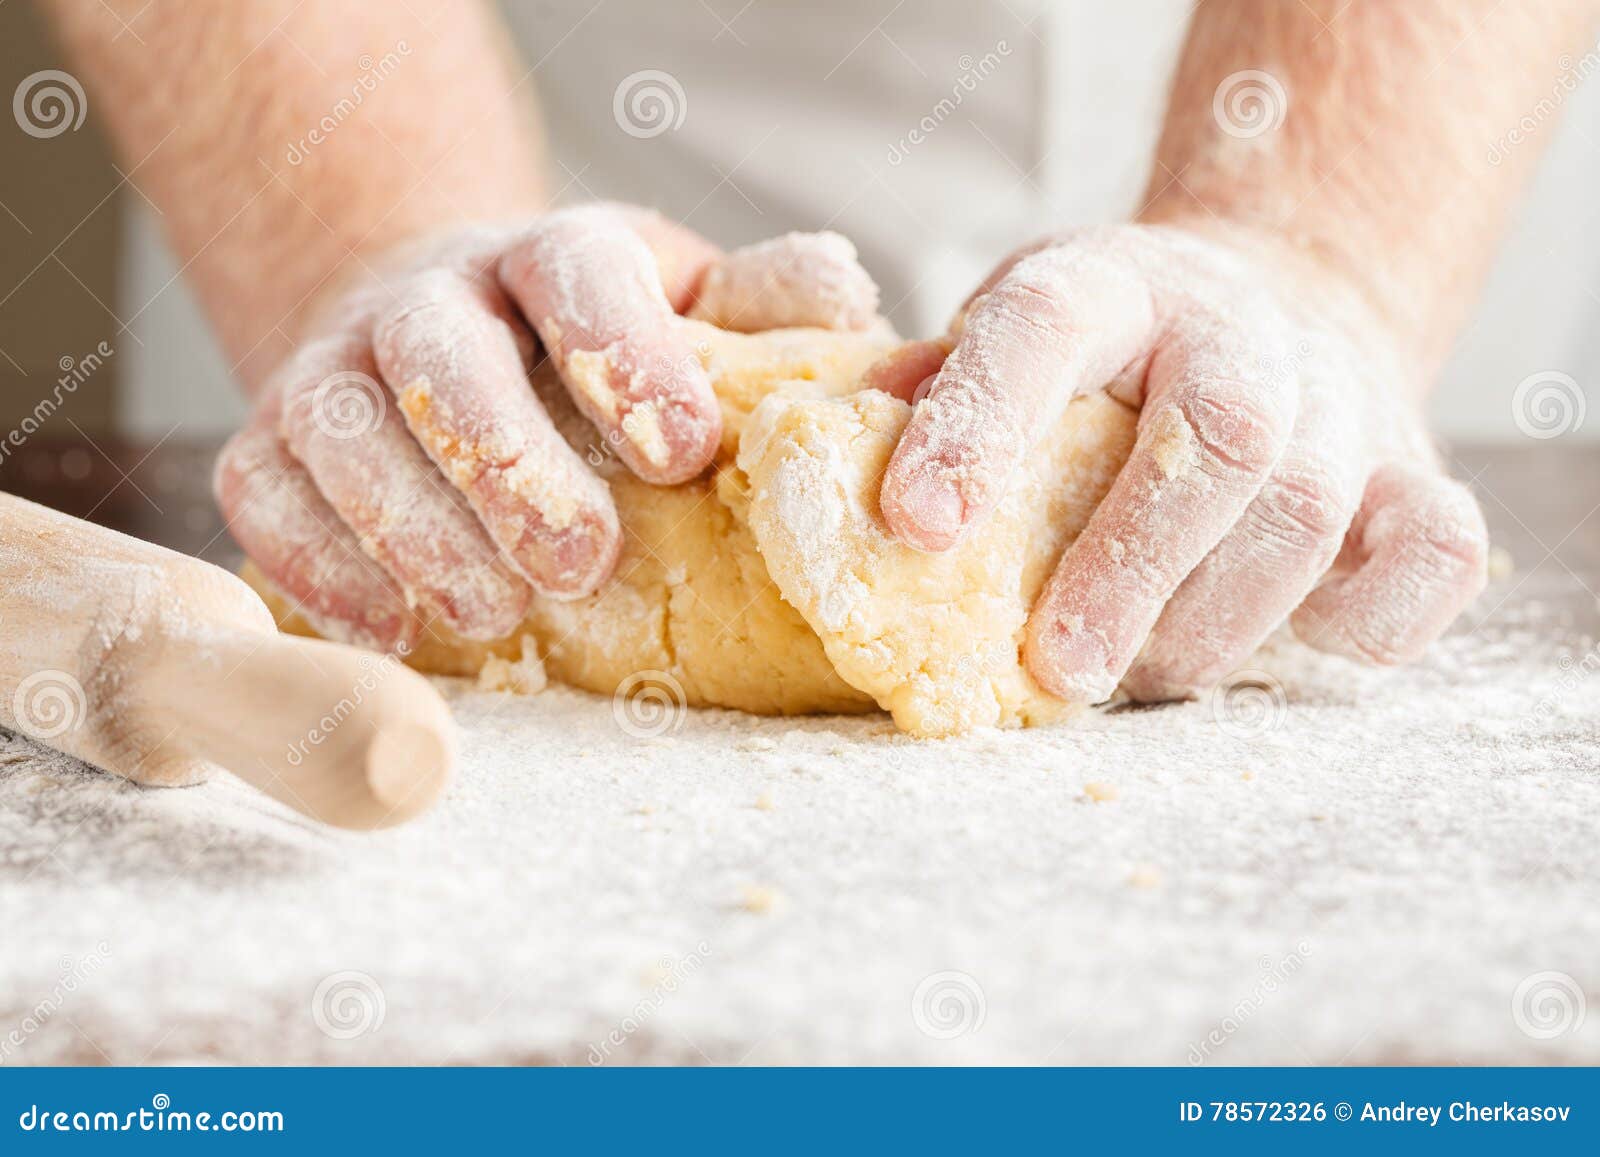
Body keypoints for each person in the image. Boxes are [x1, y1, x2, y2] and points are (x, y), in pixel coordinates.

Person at [42, 0, 1599, 705]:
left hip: (1371, 114)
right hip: (501, 90)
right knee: (463, 415)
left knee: (1266, 449)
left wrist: (1310, 244)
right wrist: (371, 233)